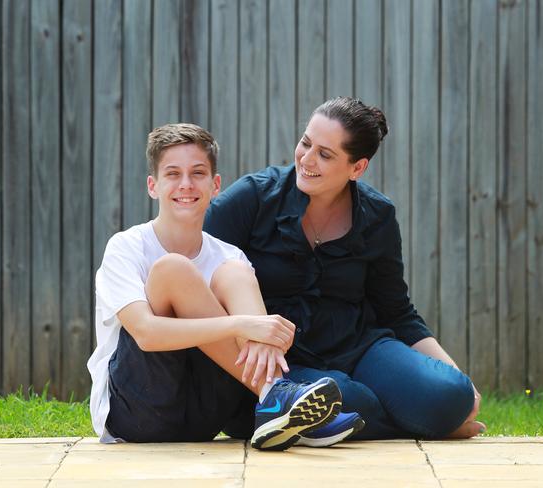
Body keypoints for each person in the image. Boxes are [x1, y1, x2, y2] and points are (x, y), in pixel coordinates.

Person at [204, 97, 486, 440]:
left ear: (357, 168)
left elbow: (397, 312)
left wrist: (457, 378)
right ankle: (419, 424)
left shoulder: (378, 215)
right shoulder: (252, 198)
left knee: (451, 394)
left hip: (360, 348)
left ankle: (414, 419)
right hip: (281, 364)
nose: (306, 159)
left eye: (325, 154)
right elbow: (202, 277)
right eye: (306, 143)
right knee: (351, 398)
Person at [86, 123, 361, 451]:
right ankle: (276, 395)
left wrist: (258, 332)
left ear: (215, 185)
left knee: (233, 272)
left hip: (205, 415)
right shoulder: (127, 246)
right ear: (153, 186)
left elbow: (257, 337)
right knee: (173, 269)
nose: (186, 184)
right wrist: (243, 324)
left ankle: (274, 401)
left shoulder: (231, 256)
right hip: (137, 413)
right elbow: (145, 333)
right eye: (173, 174)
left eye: (198, 173)